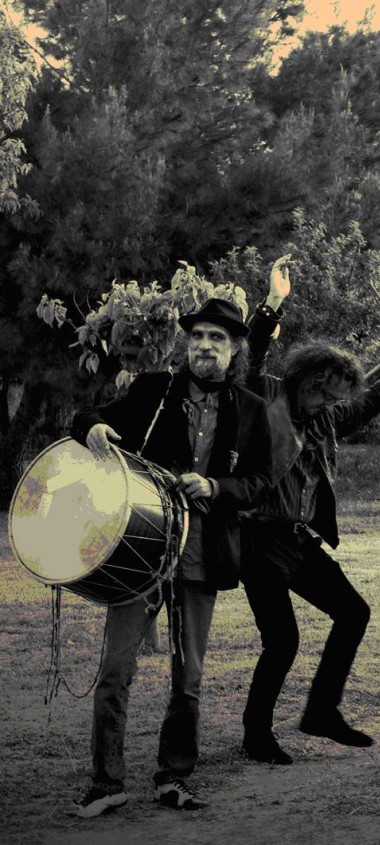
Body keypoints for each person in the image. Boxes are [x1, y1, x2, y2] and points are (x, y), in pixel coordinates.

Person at [70, 297, 275, 816]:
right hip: (141, 550)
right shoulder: (152, 390)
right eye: (198, 336)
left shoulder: (252, 409)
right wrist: (92, 428)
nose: (204, 346)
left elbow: (260, 482)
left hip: (203, 554)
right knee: (115, 670)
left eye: (217, 338)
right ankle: (106, 784)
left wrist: (215, 486)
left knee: (189, 678)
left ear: (235, 349)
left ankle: (173, 777)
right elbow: (89, 416)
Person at [240, 256, 380, 764]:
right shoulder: (265, 396)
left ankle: (321, 711)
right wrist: (272, 303)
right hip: (258, 539)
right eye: (322, 394)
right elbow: (251, 356)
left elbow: (363, 406)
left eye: (334, 398)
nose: (327, 404)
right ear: (304, 378)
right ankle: (256, 735)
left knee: (353, 612)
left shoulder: (324, 419)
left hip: (297, 541)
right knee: (283, 640)